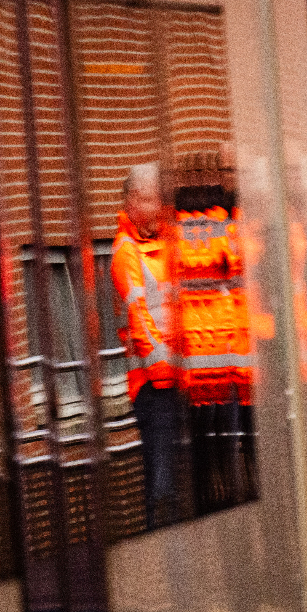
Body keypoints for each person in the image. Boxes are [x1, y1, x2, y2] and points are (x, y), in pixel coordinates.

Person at [111, 162, 189, 528]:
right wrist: (167, 374)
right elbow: (141, 322)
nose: (156, 205)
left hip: (174, 378)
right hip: (153, 384)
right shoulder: (126, 253)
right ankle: (159, 531)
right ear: (129, 201)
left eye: (158, 197)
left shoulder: (164, 242)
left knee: (171, 465)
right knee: (161, 472)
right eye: (147, 198)